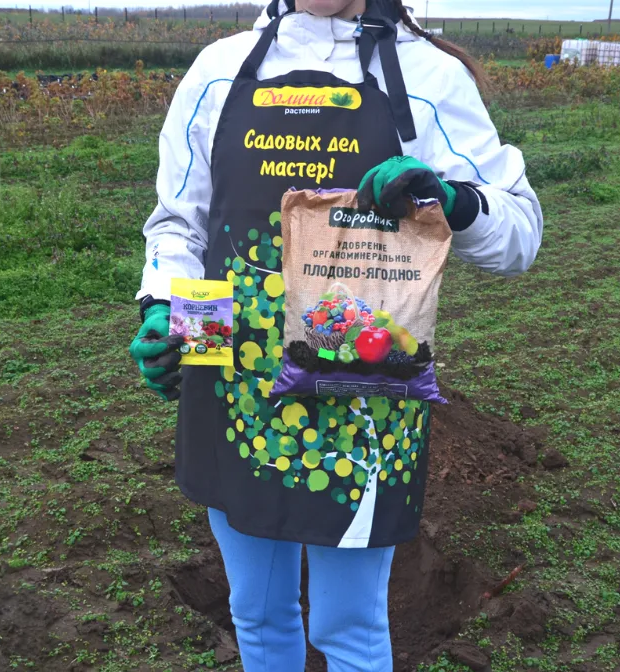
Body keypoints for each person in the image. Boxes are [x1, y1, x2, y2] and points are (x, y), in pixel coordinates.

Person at [129, 0, 543, 668]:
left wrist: (453, 201)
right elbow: (183, 224)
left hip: (364, 402)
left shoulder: (427, 77)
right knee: (257, 615)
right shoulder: (219, 69)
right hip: (230, 383)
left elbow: (520, 235)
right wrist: (165, 310)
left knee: (348, 627)